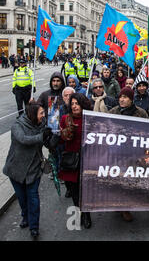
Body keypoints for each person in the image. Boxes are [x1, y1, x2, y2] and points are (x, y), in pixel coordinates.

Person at [3, 102, 55, 239]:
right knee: (22, 198)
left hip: (34, 169)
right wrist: (41, 136)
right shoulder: (18, 125)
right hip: (16, 169)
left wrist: (51, 138)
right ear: (33, 114)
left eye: (44, 113)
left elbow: (46, 142)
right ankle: (25, 216)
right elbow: (23, 139)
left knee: (33, 198)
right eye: (41, 113)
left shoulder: (42, 123)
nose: (44, 116)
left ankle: (34, 227)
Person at [109, 87, 149, 222]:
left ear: (131, 99)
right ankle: (123, 207)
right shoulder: (113, 112)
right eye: (120, 97)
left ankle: (127, 204)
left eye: (125, 97)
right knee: (119, 179)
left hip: (135, 153)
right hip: (118, 153)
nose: (122, 99)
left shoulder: (141, 113)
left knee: (132, 181)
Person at [59, 93, 93, 229]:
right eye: (72, 104)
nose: (74, 106)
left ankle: (87, 214)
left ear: (83, 104)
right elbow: (61, 140)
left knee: (85, 190)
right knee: (74, 190)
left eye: (77, 103)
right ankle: (78, 211)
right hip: (71, 161)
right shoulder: (65, 118)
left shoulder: (90, 118)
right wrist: (65, 133)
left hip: (87, 159)